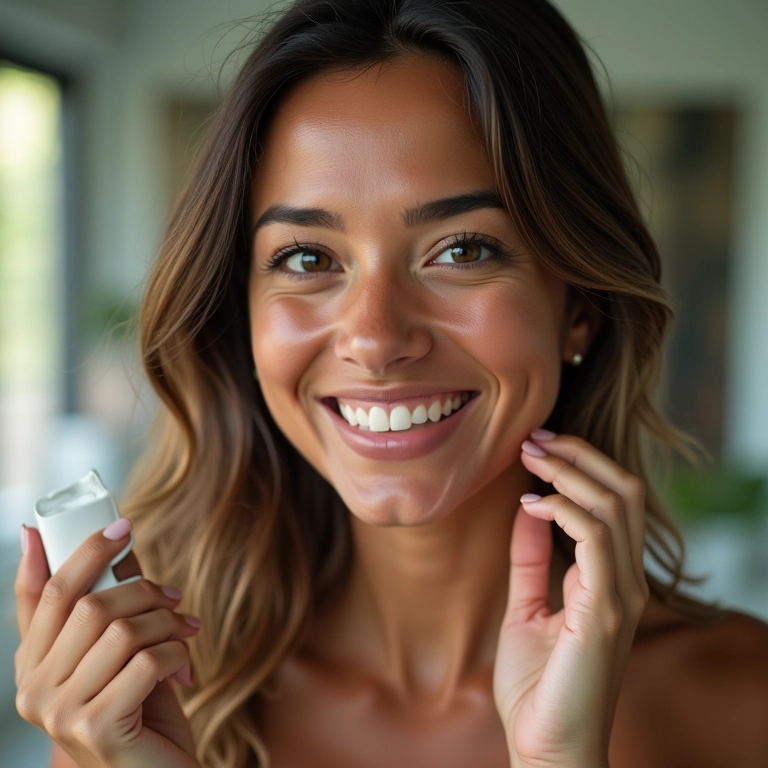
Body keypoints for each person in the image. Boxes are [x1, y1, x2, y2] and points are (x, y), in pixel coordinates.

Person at [13, 0, 768, 766]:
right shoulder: (143, 704)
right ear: (241, 314)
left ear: (579, 304)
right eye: (308, 259)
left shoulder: (748, 701)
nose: (374, 339)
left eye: (462, 249)